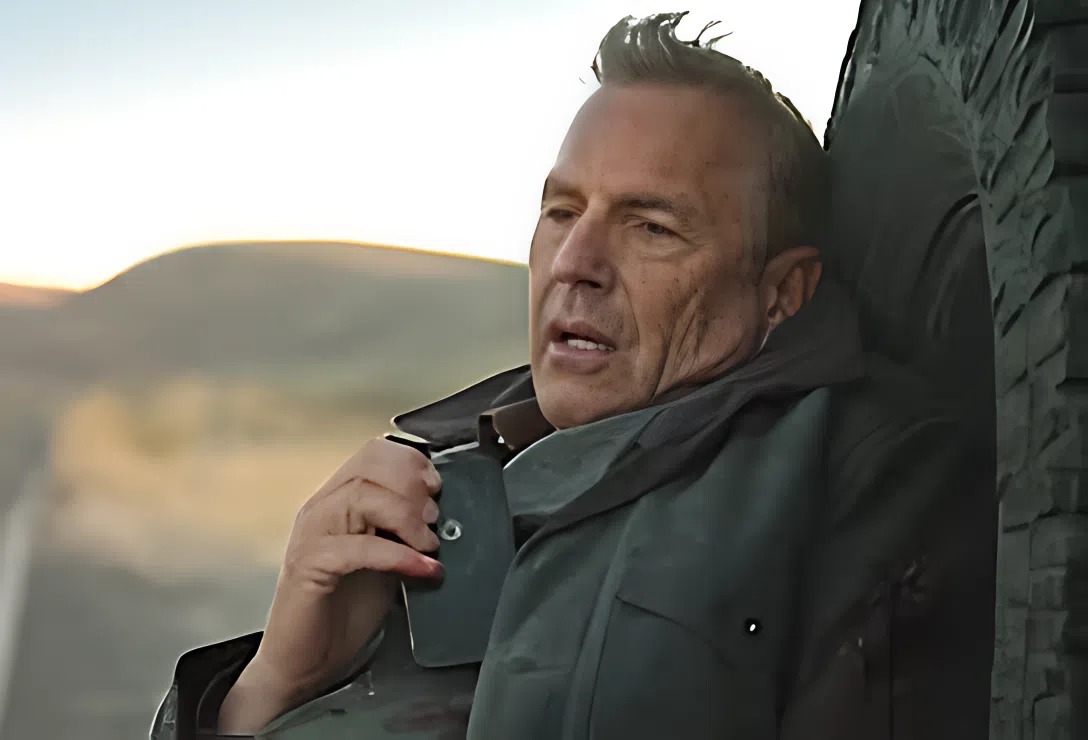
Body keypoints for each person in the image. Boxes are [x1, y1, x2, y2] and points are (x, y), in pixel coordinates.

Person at [150, 12, 994, 740]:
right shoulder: (440, 481)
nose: (574, 263)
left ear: (783, 293)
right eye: (561, 211)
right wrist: (270, 686)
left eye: (651, 227)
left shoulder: (863, 481)